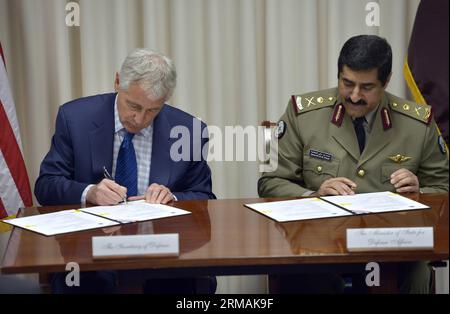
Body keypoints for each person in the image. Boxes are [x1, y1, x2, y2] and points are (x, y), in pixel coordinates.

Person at [258, 35, 449, 293]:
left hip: (394, 246)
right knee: (305, 274)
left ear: (387, 81)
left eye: (367, 87)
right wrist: (312, 195)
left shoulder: (417, 123)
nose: (355, 96)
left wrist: (420, 192)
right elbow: (270, 181)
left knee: (412, 271)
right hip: (319, 242)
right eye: (347, 83)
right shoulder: (303, 114)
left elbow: (443, 188)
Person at [35, 48, 216, 293]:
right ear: (118, 81)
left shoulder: (189, 131)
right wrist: (89, 192)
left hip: (161, 253)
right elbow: (46, 185)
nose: (139, 119)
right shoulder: (75, 118)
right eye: (133, 105)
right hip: (91, 251)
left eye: (152, 110)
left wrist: (173, 198)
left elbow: (204, 197)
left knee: (190, 283)